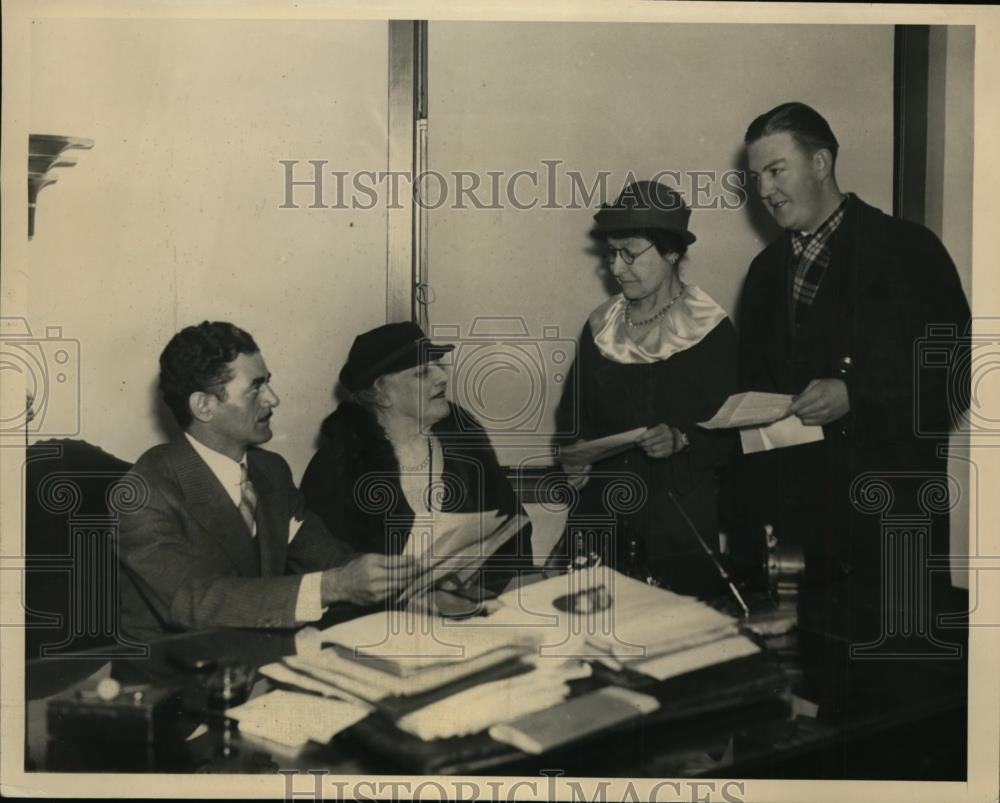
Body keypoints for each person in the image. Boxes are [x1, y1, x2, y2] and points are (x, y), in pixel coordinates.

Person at [736, 103, 970, 646]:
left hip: (891, 531)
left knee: (895, 704)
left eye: (776, 171)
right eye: (756, 178)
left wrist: (855, 395)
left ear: (820, 163)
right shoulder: (765, 273)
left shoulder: (910, 250)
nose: (765, 191)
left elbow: (955, 379)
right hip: (802, 546)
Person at [118, 321, 412, 642]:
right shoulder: (144, 492)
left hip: (252, 661)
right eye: (255, 387)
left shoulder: (270, 471)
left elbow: (329, 559)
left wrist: (408, 582)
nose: (273, 399)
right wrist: (335, 585)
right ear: (204, 405)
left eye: (267, 383)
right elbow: (195, 603)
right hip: (170, 678)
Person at [553, 180, 738, 596]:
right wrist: (574, 453)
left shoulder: (712, 330)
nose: (617, 269)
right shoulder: (601, 325)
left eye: (631, 254)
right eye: (611, 255)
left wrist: (682, 439)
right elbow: (573, 417)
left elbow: (734, 431)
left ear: (671, 252)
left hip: (676, 521)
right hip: (601, 517)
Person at [300, 322, 534, 604]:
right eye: (422, 372)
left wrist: (476, 598)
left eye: (437, 365)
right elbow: (321, 570)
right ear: (382, 394)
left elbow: (513, 533)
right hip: (377, 627)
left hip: (474, 612)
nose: (441, 377)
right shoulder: (339, 464)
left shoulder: (467, 446)